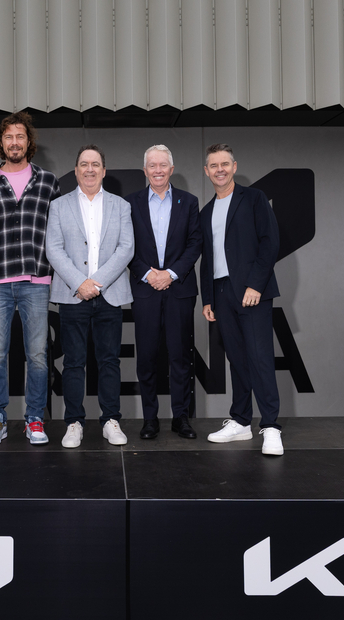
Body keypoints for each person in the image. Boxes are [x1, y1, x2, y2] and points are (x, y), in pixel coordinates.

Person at [0, 112, 61, 446]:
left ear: (29, 142)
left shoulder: (48, 182)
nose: (14, 142)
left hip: (36, 281)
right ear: (1, 143)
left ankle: (34, 418)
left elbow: (59, 232)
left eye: (20, 136)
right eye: (8, 136)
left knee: (37, 355)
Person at [45, 144, 135, 448]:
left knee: (109, 361)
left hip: (109, 295)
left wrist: (96, 283)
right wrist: (80, 283)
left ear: (104, 170)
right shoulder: (59, 206)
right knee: (73, 363)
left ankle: (111, 420)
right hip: (73, 295)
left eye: (95, 164)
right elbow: (53, 249)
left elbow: (126, 248)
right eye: (84, 164)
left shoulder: (121, 205)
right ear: (76, 170)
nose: (90, 169)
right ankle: (74, 423)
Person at [199, 144, 284, 456]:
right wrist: (207, 298)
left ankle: (270, 426)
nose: (219, 169)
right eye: (213, 165)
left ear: (234, 166)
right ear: (206, 171)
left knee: (260, 358)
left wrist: (255, 285)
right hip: (221, 293)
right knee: (236, 359)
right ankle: (241, 421)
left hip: (251, 292)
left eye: (225, 164)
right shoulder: (206, 212)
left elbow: (270, 242)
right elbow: (207, 258)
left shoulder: (254, 198)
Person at [125, 145, 202, 440]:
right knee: (146, 357)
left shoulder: (189, 201)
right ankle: (150, 419)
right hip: (145, 290)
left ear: (171, 169)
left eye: (163, 165)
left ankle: (181, 418)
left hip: (179, 289)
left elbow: (195, 244)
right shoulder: (129, 203)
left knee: (180, 357)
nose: (157, 170)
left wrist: (169, 274)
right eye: (152, 165)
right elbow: (125, 246)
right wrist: (149, 275)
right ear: (145, 170)